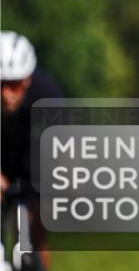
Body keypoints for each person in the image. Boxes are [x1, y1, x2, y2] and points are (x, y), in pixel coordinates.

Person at [1, 31, 62, 271]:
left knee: (35, 233)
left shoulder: (46, 95)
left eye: (14, 84)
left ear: (27, 80)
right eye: (0, 84)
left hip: (33, 160)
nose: (6, 94)